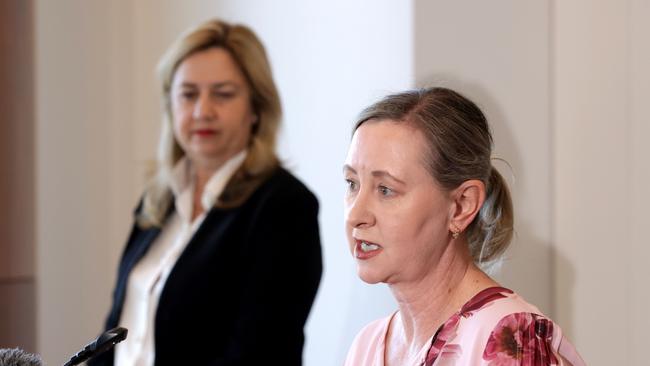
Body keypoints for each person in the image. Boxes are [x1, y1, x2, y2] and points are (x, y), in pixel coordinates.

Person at [89, 19, 322, 366]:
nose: (202, 111)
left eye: (223, 94)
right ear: (171, 105)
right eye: (188, 94)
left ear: (256, 108)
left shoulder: (283, 205)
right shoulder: (157, 201)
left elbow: (261, 352)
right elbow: (115, 332)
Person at [343, 87, 585, 365]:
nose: (355, 215)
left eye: (386, 190)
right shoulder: (367, 344)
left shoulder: (512, 340)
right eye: (352, 184)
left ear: (462, 205)